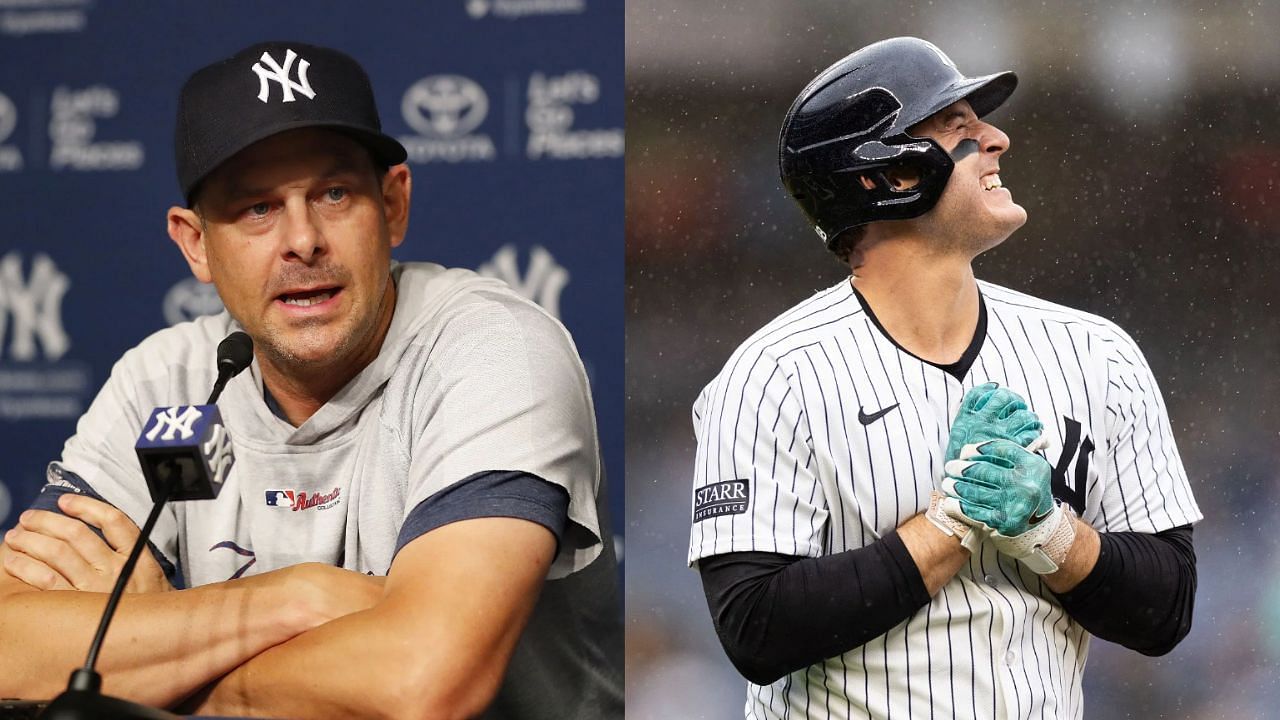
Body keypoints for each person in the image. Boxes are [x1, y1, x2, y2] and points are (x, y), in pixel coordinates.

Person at [0, 41, 622, 719]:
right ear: (196, 244)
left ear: (393, 205)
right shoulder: (166, 376)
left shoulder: (493, 349)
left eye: (334, 193)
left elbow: (423, 683)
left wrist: (160, 656)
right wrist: (295, 597)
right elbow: (8, 649)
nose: (303, 240)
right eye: (256, 208)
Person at [688, 37, 1199, 719]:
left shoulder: (1095, 352)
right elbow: (755, 625)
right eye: (960, 129)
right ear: (888, 176)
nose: (997, 138)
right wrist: (950, 521)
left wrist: (1050, 532)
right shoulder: (772, 375)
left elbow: (1165, 610)